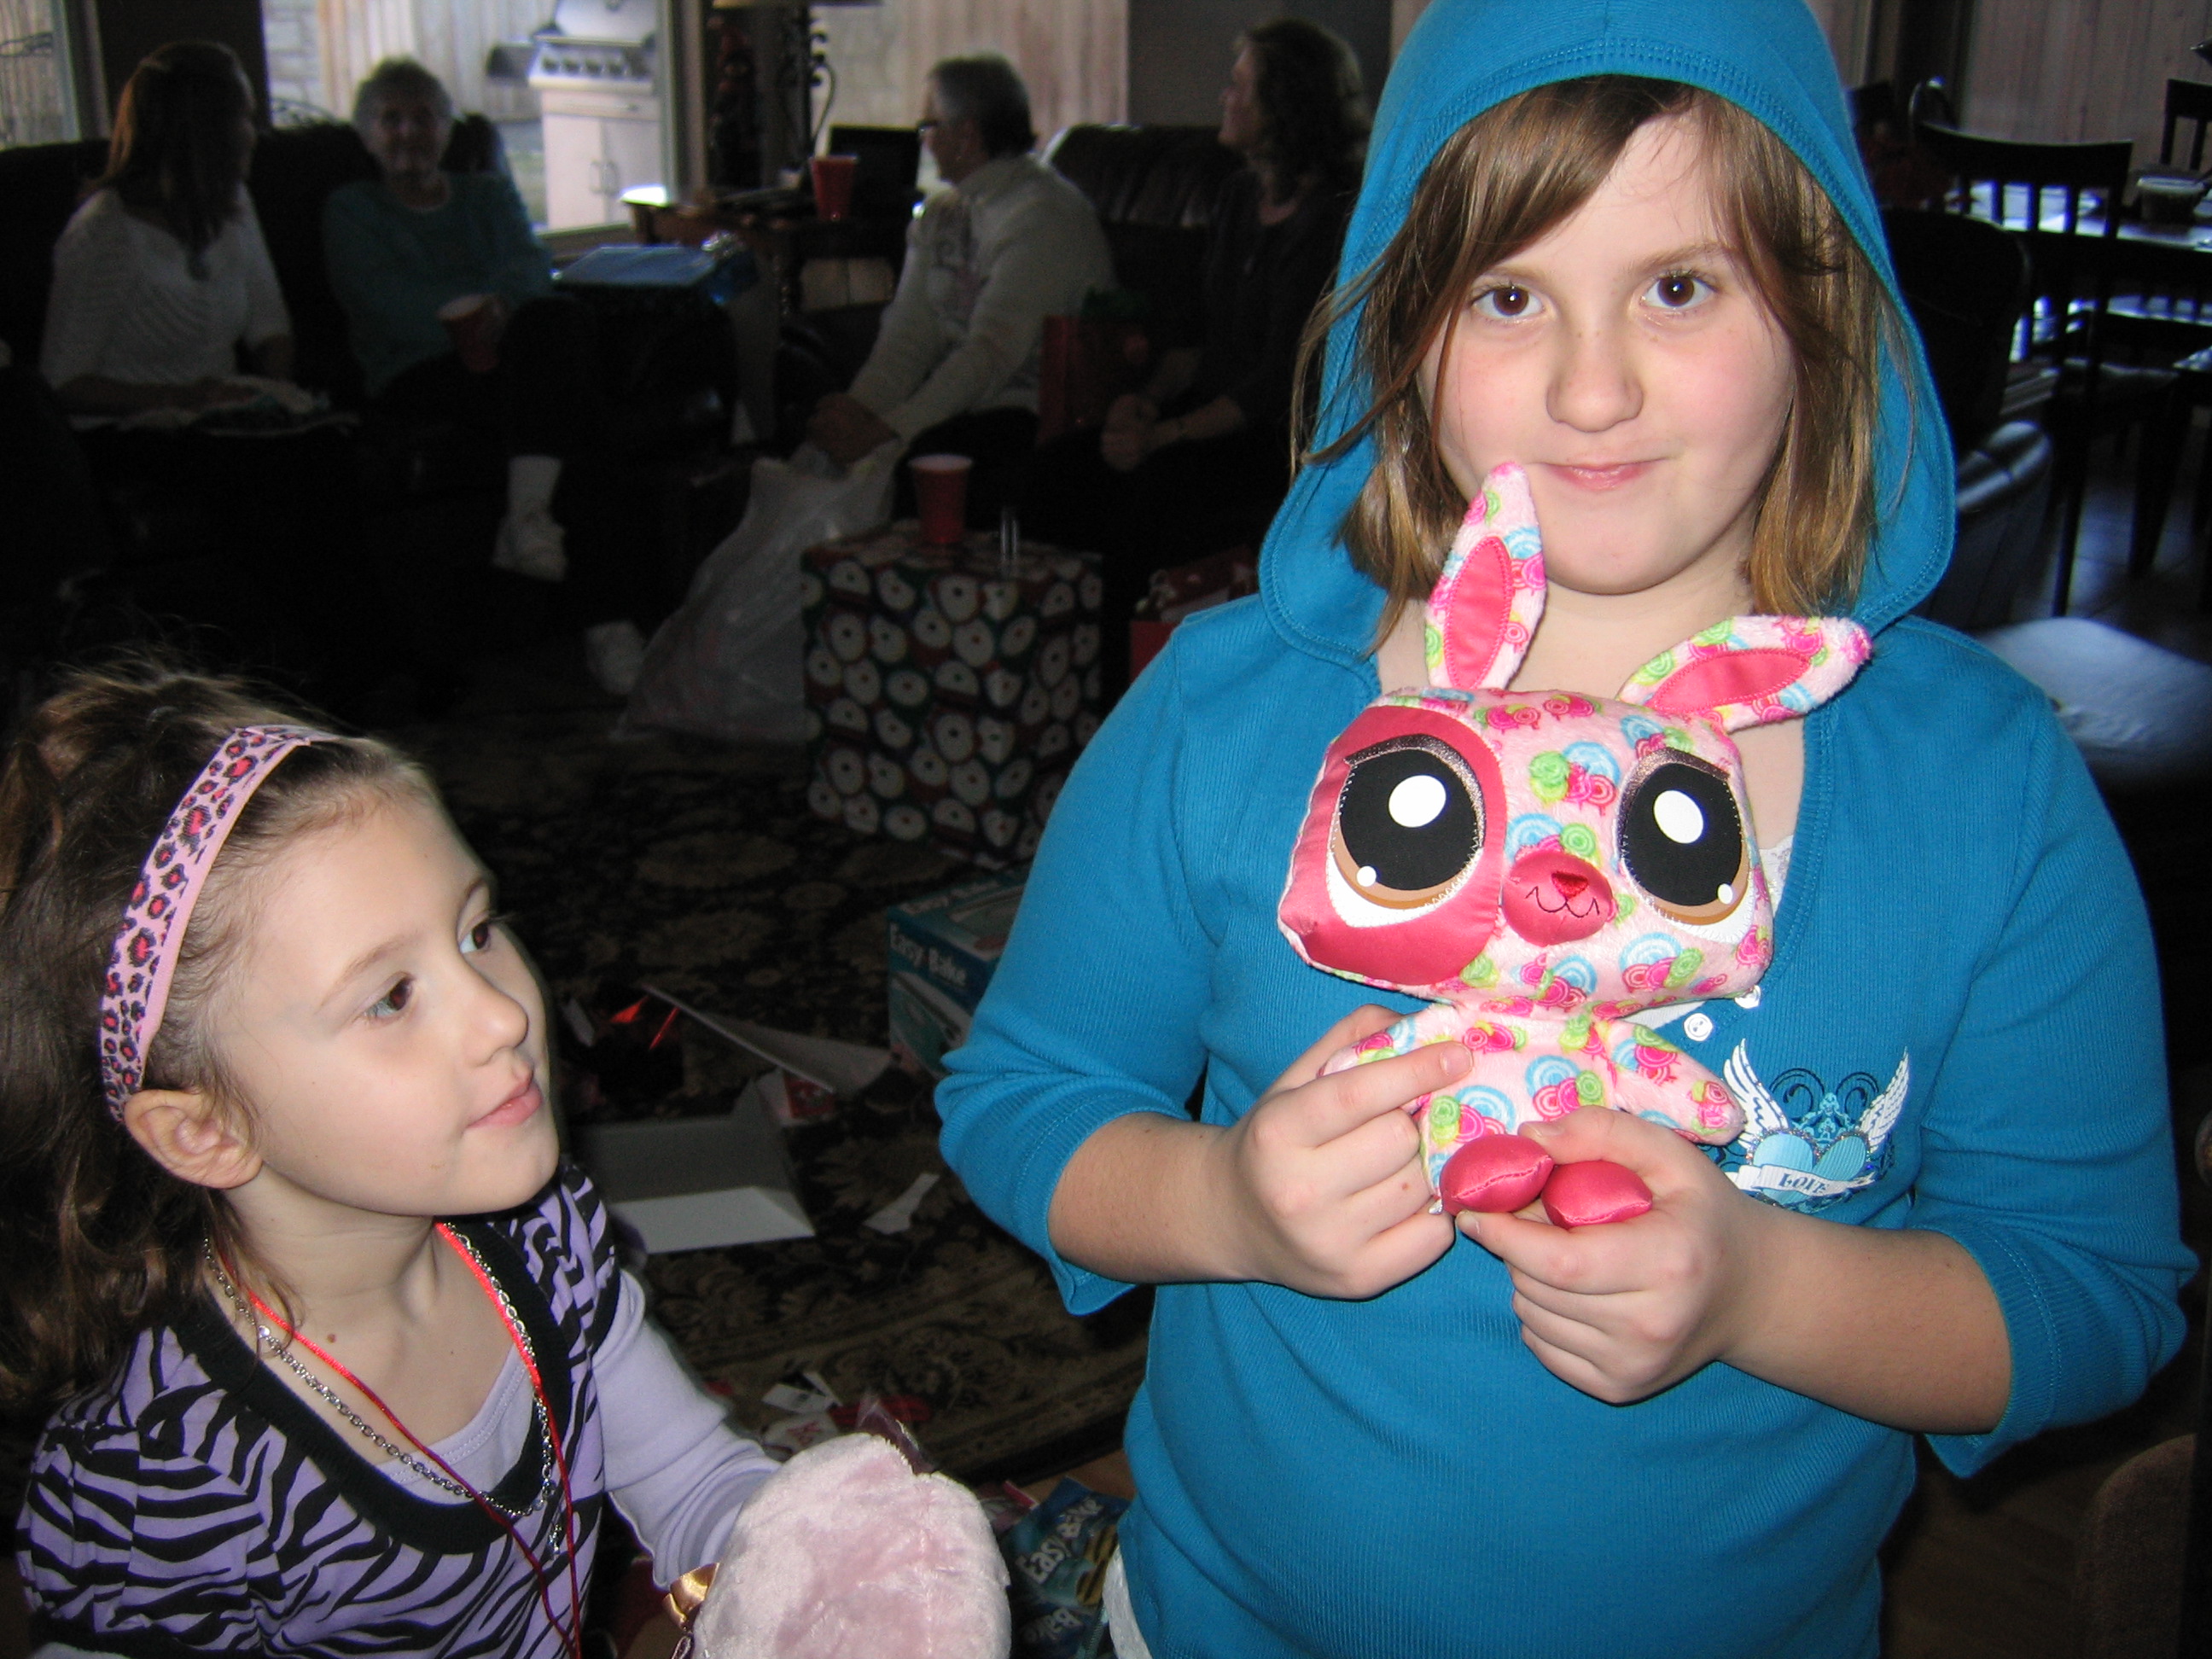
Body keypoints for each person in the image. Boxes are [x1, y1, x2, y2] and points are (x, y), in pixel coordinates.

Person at [935, 1, 2194, 1655]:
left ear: (1821, 313)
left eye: (1681, 286)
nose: (1593, 388)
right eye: (1509, 294)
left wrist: (1760, 1287)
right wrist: (1223, 1204)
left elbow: (2092, 1292)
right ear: (1403, 328)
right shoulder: (1225, 714)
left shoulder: (1981, 787)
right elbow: (1022, 1096)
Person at [1, 661, 779, 1656]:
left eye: (478, 930)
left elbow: (696, 1480)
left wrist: (824, 1566)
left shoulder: (543, 1238)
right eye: (391, 997)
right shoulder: (171, 1483)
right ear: (207, 1131)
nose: (502, 1015)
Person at [1024, 20, 1365, 696]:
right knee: (1055, 475)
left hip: (1271, 442)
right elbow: (1189, 340)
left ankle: (1126, 698)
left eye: (1240, 87)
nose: (1224, 98)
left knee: (1145, 505)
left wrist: (1164, 436)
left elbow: (1276, 383)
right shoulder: (1236, 197)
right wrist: (1142, 404)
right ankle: (1052, 693)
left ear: (1283, 104)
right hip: (1196, 418)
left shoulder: (1331, 218)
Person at [38, 42, 375, 708]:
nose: (254, 132)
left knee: (323, 453)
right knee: (254, 481)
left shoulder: (234, 205)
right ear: (202, 131)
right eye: (243, 117)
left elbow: (271, 331)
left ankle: (361, 665)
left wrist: (273, 400)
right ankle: (294, 679)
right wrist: (182, 396)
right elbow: (63, 381)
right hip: (130, 427)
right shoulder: (104, 233)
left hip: (218, 414)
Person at [322, 58, 645, 696]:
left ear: (447, 130)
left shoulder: (487, 194)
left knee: (560, 320)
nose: (409, 133)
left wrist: (500, 309)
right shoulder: (352, 209)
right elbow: (384, 304)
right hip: (417, 374)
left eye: (425, 118)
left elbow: (529, 270)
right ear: (366, 135)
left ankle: (527, 516)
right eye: (391, 120)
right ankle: (608, 626)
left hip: (512, 362)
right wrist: (480, 309)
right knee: (575, 412)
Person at [806, 54, 1112, 529]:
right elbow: (907, 338)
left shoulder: (1044, 216)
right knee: (822, 450)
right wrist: (857, 409)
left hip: (1031, 413)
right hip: (964, 403)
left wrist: (888, 432)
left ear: (966, 134)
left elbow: (990, 355)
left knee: (924, 459)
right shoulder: (942, 214)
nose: (924, 140)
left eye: (928, 126)